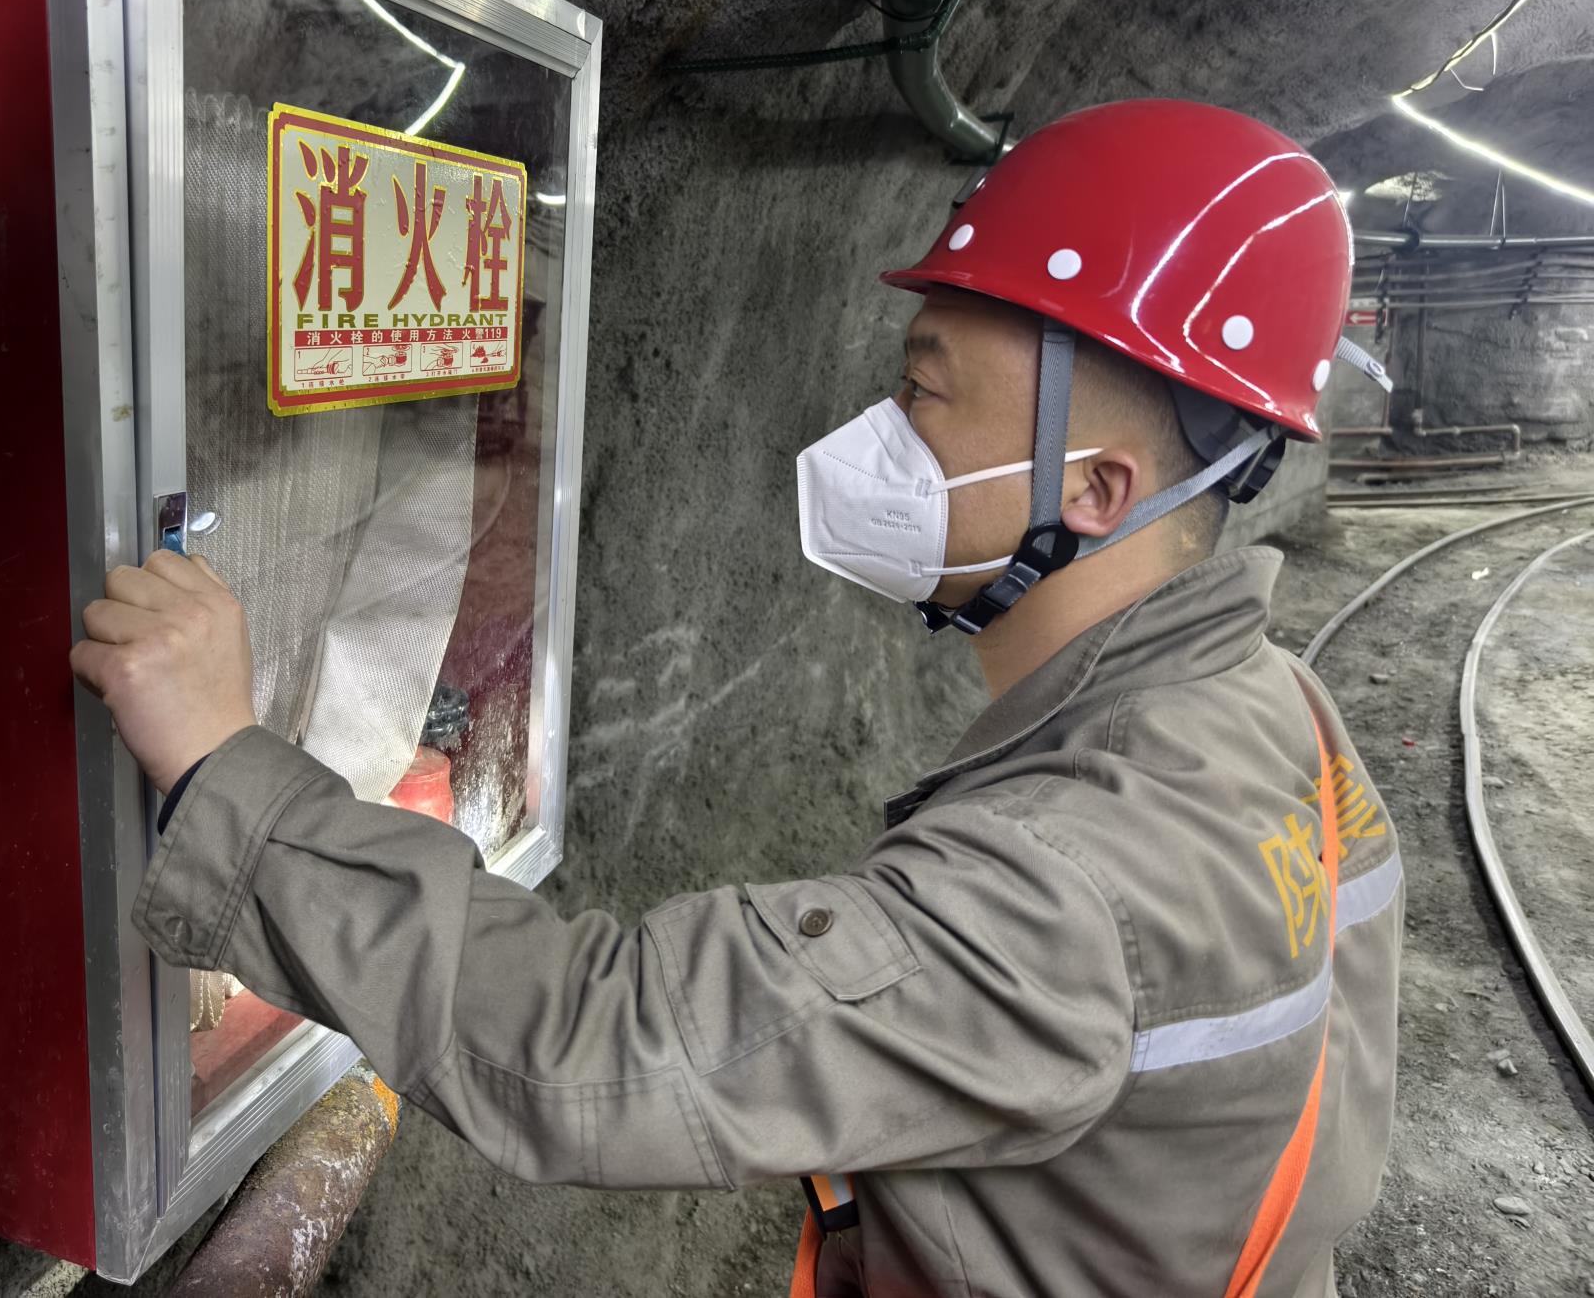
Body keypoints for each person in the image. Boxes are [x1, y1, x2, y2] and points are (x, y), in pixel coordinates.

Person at [71, 99, 1403, 1298]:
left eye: (922, 387)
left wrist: (225, 769)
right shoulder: (1278, 713)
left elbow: (593, 1047)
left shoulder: (1061, 895)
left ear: (1093, 489)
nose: (879, 431)